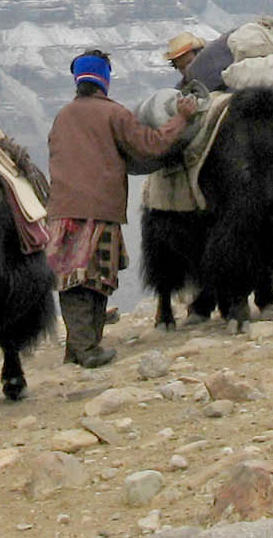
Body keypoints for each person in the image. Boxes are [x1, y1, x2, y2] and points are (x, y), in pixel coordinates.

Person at [45, 49, 199, 367]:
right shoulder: (114, 114)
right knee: (98, 278)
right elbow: (149, 145)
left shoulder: (62, 116)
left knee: (70, 278)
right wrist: (181, 119)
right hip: (98, 210)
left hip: (60, 210)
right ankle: (89, 349)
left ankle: (77, 347)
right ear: (104, 79)